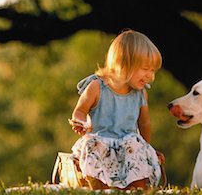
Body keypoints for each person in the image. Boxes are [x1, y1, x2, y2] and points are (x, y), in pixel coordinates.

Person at [69, 29, 165, 190]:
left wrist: (147, 148)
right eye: (145, 69)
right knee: (92, 146)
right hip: (101, 140)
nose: (150, 76)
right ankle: (99, 186)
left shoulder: (140, 93)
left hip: (127, 145)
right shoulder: (97, 87)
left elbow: (144, 122)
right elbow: (80, 110)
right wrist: (80, 121)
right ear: (124, 63)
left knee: (136, 149)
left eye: (152, 70)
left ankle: (136, 189)